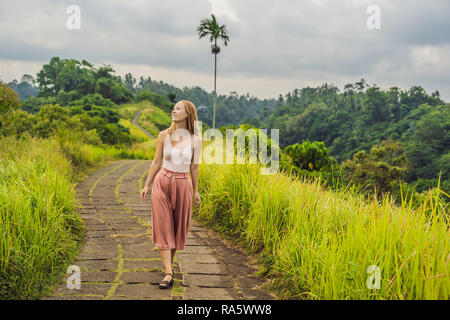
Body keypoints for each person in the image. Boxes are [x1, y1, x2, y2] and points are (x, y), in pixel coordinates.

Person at [140, 100, 202, 289]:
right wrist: (147, 185)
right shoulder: (163, 135)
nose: (173, 110)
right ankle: (168, 274)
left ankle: (169, 267)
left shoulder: (196, 140)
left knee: (175, 229)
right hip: (162, 182)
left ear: (187, 114)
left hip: (183, 184)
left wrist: (196, 191)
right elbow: (156, 161)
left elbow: (194, 166)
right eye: (173, 108)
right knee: (163, 227)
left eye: (177, 108)